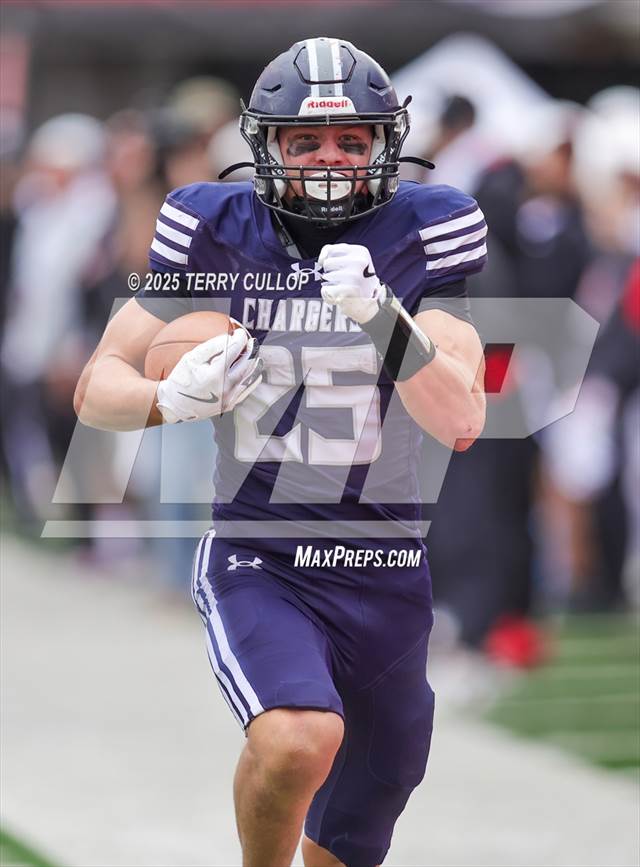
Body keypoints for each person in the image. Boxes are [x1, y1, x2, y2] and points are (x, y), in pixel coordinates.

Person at [74, 37, 487, 867]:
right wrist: (169, 398)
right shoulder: (214, 227)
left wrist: (382, 317)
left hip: (386, 565)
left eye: (350, 139)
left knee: (359, 823)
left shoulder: (428, 226)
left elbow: (461, 416)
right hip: (263, 555)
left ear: (384, 142)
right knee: (299, 736)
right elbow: (97, 386)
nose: (330, 157)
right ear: (267, 145)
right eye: (307, 140)